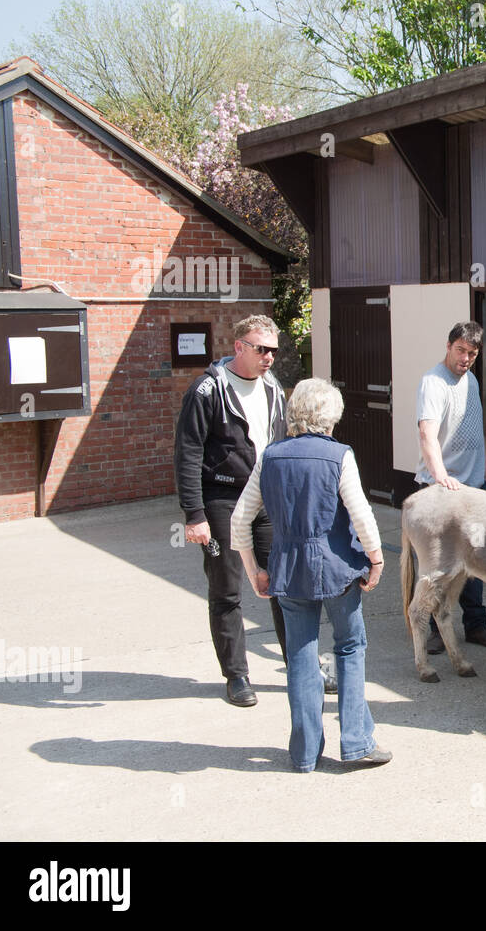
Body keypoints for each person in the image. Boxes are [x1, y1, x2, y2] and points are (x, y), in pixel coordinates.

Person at [231, 378, 390, 771]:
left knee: (301, 657)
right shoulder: (339, 455)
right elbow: (361, 514)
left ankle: (303, 753)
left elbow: (239, 520)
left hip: (288, 567)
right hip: (337, 566)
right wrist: (377, 559)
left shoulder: (269, 456)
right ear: (330, 416)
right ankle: (356, 742)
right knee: (350, 648)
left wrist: (255, 571)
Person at [175, 314, 290, 707]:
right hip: (222, 499)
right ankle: (237, 676)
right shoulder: (207, 390)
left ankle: (300, 666)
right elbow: (187, 454)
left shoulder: (273, 388)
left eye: (274, 350)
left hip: (266, 498)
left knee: (283, 583)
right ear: (239, 347)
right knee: (226, 588)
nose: (269, 357)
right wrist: (194, 515)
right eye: (262, 349)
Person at [414, 321, 486, 653]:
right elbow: (427, 433)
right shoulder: (433, 382)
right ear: (448, 345)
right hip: (442, 491)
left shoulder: (470, 379)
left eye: (472, 353)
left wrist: (481, 461)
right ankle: (436, 629)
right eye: (460, 350)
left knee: (475, 557)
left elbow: (472, 423)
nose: (466, 358)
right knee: (439, 562)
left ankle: (477, 624)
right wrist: (440, 476)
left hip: (474, 488)